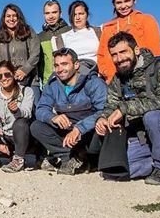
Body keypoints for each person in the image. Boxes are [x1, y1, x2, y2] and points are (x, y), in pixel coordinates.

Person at [94, 32, 160, 186]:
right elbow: (111, 105)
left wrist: (125, 108)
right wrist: (102, 118)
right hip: (144, 138)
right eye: (114, 55)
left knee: (153, 116)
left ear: (136, 50)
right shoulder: (118, 78)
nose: (119, 59)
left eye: (123, 52)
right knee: (117, 171)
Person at [31, 47, 107, 175]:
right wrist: (53, 117)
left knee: (100, 131)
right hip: (66, 130)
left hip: (88, 130)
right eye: (57, 65)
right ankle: (71, 157)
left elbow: (104, 110)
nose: (60, 69)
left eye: (65, 64)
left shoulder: (94, 82)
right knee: (36, 126)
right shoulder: (52, 84)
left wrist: (80, 128)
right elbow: (41, 109)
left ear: (76, 65)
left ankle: (88, 158)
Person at [97, 0, 160, 82]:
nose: (123, 6)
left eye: (127, 1)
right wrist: (107, 74)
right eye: (119, 3)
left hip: (144, 76)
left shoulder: (146, 20)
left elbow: (155, 50)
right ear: (113, 4)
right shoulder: (108, 27)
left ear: (134, 0)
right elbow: (102, 54)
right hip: (115, 80)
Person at [0, 60, 34, 172]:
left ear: (13, 74)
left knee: (20, 123)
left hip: (25, 135)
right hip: (7, 138)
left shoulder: (27, 91)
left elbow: (28, 113)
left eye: (7, 74)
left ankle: (19, 159)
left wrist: (17, 111)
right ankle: (13, 154)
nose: (4, 78)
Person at [0, 4, 41, 101]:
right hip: (8, 80)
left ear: (19, 17)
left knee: (35, 108)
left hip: (29, 79)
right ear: (4, 18)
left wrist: (24, 70)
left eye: (14, 16)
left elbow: (35, 53)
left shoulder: (28, 31)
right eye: (8, 16)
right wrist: (7, 74)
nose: (11, 19)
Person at [38, 0, 70, 83]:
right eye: (47, 13)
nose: (51, 16)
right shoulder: (39, 37)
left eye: (54, 12)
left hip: (69, 82)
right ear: (44, 15)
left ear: (61, 13)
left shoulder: (70, 32)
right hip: (48, 83)